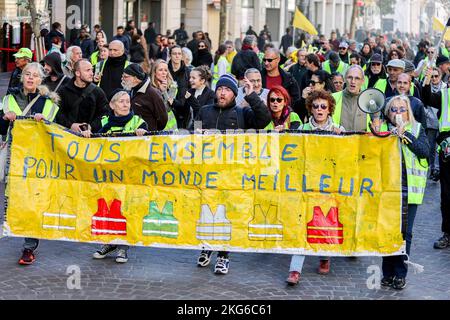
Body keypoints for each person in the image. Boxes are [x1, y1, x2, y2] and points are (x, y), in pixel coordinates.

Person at [195, 74, 271, 274]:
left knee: (225, 214)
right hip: (208, 173)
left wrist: (252, 95)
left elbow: (264, 120)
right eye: (220, 88)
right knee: (206, 211)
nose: (222, 92)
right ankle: (206, 248)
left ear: (234, 94)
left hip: (232, 174)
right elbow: (192, 135)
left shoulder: (242, 113)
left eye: (227, 90)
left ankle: (223, 255)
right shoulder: (204, 111)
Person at [1, 63, 60, 265]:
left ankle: (29, 246)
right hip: (13, 155)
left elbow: (56, 132)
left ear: (40, 80)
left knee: (32, 199)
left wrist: (45, 122)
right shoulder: (9, 98)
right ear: (22, 77)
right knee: (13, 195)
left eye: (35, 75)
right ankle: (11, 226)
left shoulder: (48, 104)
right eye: (27, 74)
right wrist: (4, 119)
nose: (30, 78)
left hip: (37, 159)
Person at [286, 90, 345, 285]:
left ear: (329, 110)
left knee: (326, 221)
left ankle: (325, 257)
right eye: (315, 106)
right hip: (306, 183)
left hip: (329, 185)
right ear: (310, 108)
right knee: (301, 224)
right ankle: (295, 269)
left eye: (323, 106)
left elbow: (346, 156)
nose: (319, 110)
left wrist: (342, 138)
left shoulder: (339, 129)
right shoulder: (302, 128)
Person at [374, 96, 429, 290]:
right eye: (394, 110)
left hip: (409, 192)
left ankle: (400, 273)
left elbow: (424, 151)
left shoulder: (417, 129)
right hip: (388, 190)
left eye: (402, 109)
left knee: (405, 233)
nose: (398, 113)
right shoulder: (383, 131)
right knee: (387, 231)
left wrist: (405, 135)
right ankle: (387, 273)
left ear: (408, 112)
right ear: (388, 114)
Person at [91, 90, 148, 262]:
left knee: (125, 210)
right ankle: (109, 242)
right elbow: (93, 139)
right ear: (112, 105)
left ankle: (123, 246)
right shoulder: (103, 121)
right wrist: (88, 134)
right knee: (108, 208)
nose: (125, 105)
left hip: (129, 175)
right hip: (108, 174)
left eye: (127, 102)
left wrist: (142, 134)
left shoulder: (138, 122)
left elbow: (149, 143)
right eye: (121, 101)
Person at [421, 67, 450, 250]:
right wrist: (425, 79)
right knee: (447, 195)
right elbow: (427, 98)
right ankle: (447, 233)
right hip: (447, 148)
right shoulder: (444, 94)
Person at [55, 59, 109, 134]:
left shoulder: (98, 92)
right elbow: (57, 113)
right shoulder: (63, 91)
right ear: (77, 73)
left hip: (92, 137)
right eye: (87, 70)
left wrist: (91, 127)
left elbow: (105, 114)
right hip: (67, 137)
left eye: (92, 70)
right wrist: (71, 125)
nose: (91, 73)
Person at [121, 63, 167, 131]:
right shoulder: (130, 90)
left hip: (147, 138)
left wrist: (150, 131)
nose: (122, 79)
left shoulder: (153, 94)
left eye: (126, 77)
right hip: (131, 137)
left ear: (135, 78)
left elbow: (163, 120)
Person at [332, 65, 369, 132]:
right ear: (345, 79)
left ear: (363, 81)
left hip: (363, 142)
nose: (353, 81)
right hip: (338, 141)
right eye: (350, 77)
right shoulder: (332, 98)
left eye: (357, 78)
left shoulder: (369, 101)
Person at [424, 67, 446, 181]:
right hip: (431, 122)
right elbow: (425, 101)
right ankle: (433, 169)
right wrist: (427, 114)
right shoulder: (427, 87)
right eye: (432, 76)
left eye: (436, 76)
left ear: (440, 76)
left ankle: (438, 169)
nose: (434, 78)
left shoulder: (445, 88)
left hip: (443, 124)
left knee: (441, 148)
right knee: (431, 148)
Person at [150, 59, 184, 130]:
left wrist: (163, 91)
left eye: (165, 70)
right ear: (154, 72)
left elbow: (167, 108)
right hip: (153, 124)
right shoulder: (149, 87)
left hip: (170, 126)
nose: (163, 73)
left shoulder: (173, 87)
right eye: (160, 70)